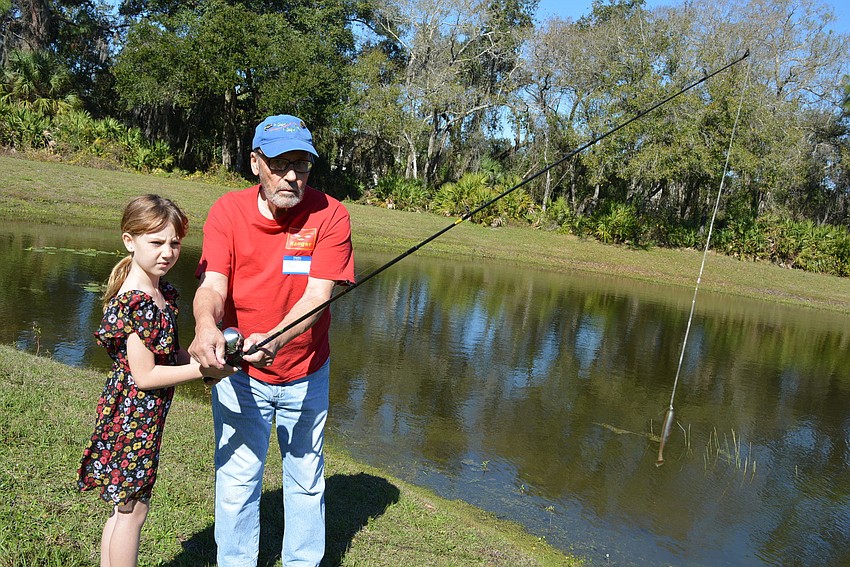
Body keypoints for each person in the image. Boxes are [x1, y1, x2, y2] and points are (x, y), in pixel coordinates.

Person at [188, 114, 355, 566]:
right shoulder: (227, 211)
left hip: (305, 371)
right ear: (255, 162)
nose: (291, 175)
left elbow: (318, 296)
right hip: (242, 374)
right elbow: (212, 286)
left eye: (301, 164)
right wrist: (206, 326)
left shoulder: (331, 214)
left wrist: (278, 338)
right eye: (280, 163)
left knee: (305, 476)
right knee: (239, 478)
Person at [78, 194, 232, 567]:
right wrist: (203, 372)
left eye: (175, 243)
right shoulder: (136, 302)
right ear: (129, 241)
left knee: (124, 508)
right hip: (131, 419)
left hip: (143, 419)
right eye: (156, 242)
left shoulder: (160, 294)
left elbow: (169, 357)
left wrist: (212, 358)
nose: (167, 252)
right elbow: (145, 376)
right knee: (133, 511)